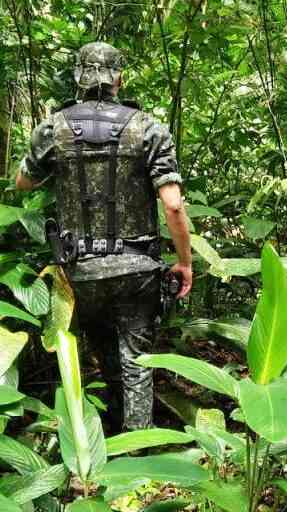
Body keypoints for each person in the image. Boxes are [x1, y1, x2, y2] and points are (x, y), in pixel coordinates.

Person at [16, 42, 192, 430]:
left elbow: (23, 183)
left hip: (80, 269)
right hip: (136, 270)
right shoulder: (148, 128)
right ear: (119, 78)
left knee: (102, 353)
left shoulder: (53, 127)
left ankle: (108, 438)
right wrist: (185, 262)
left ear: (79, 77)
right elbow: (174, 205)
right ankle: (137, 451)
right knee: (137, 359)